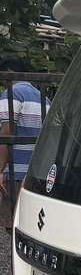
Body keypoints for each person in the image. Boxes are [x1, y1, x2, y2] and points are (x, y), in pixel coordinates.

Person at [0, 58, 50, 224]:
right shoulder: (43, 98)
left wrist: (0, 170)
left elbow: (7, 133)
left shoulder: (12, 93)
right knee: (29, 222)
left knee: (12, 223)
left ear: (9, 74)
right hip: (36, 172)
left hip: (15, 172)